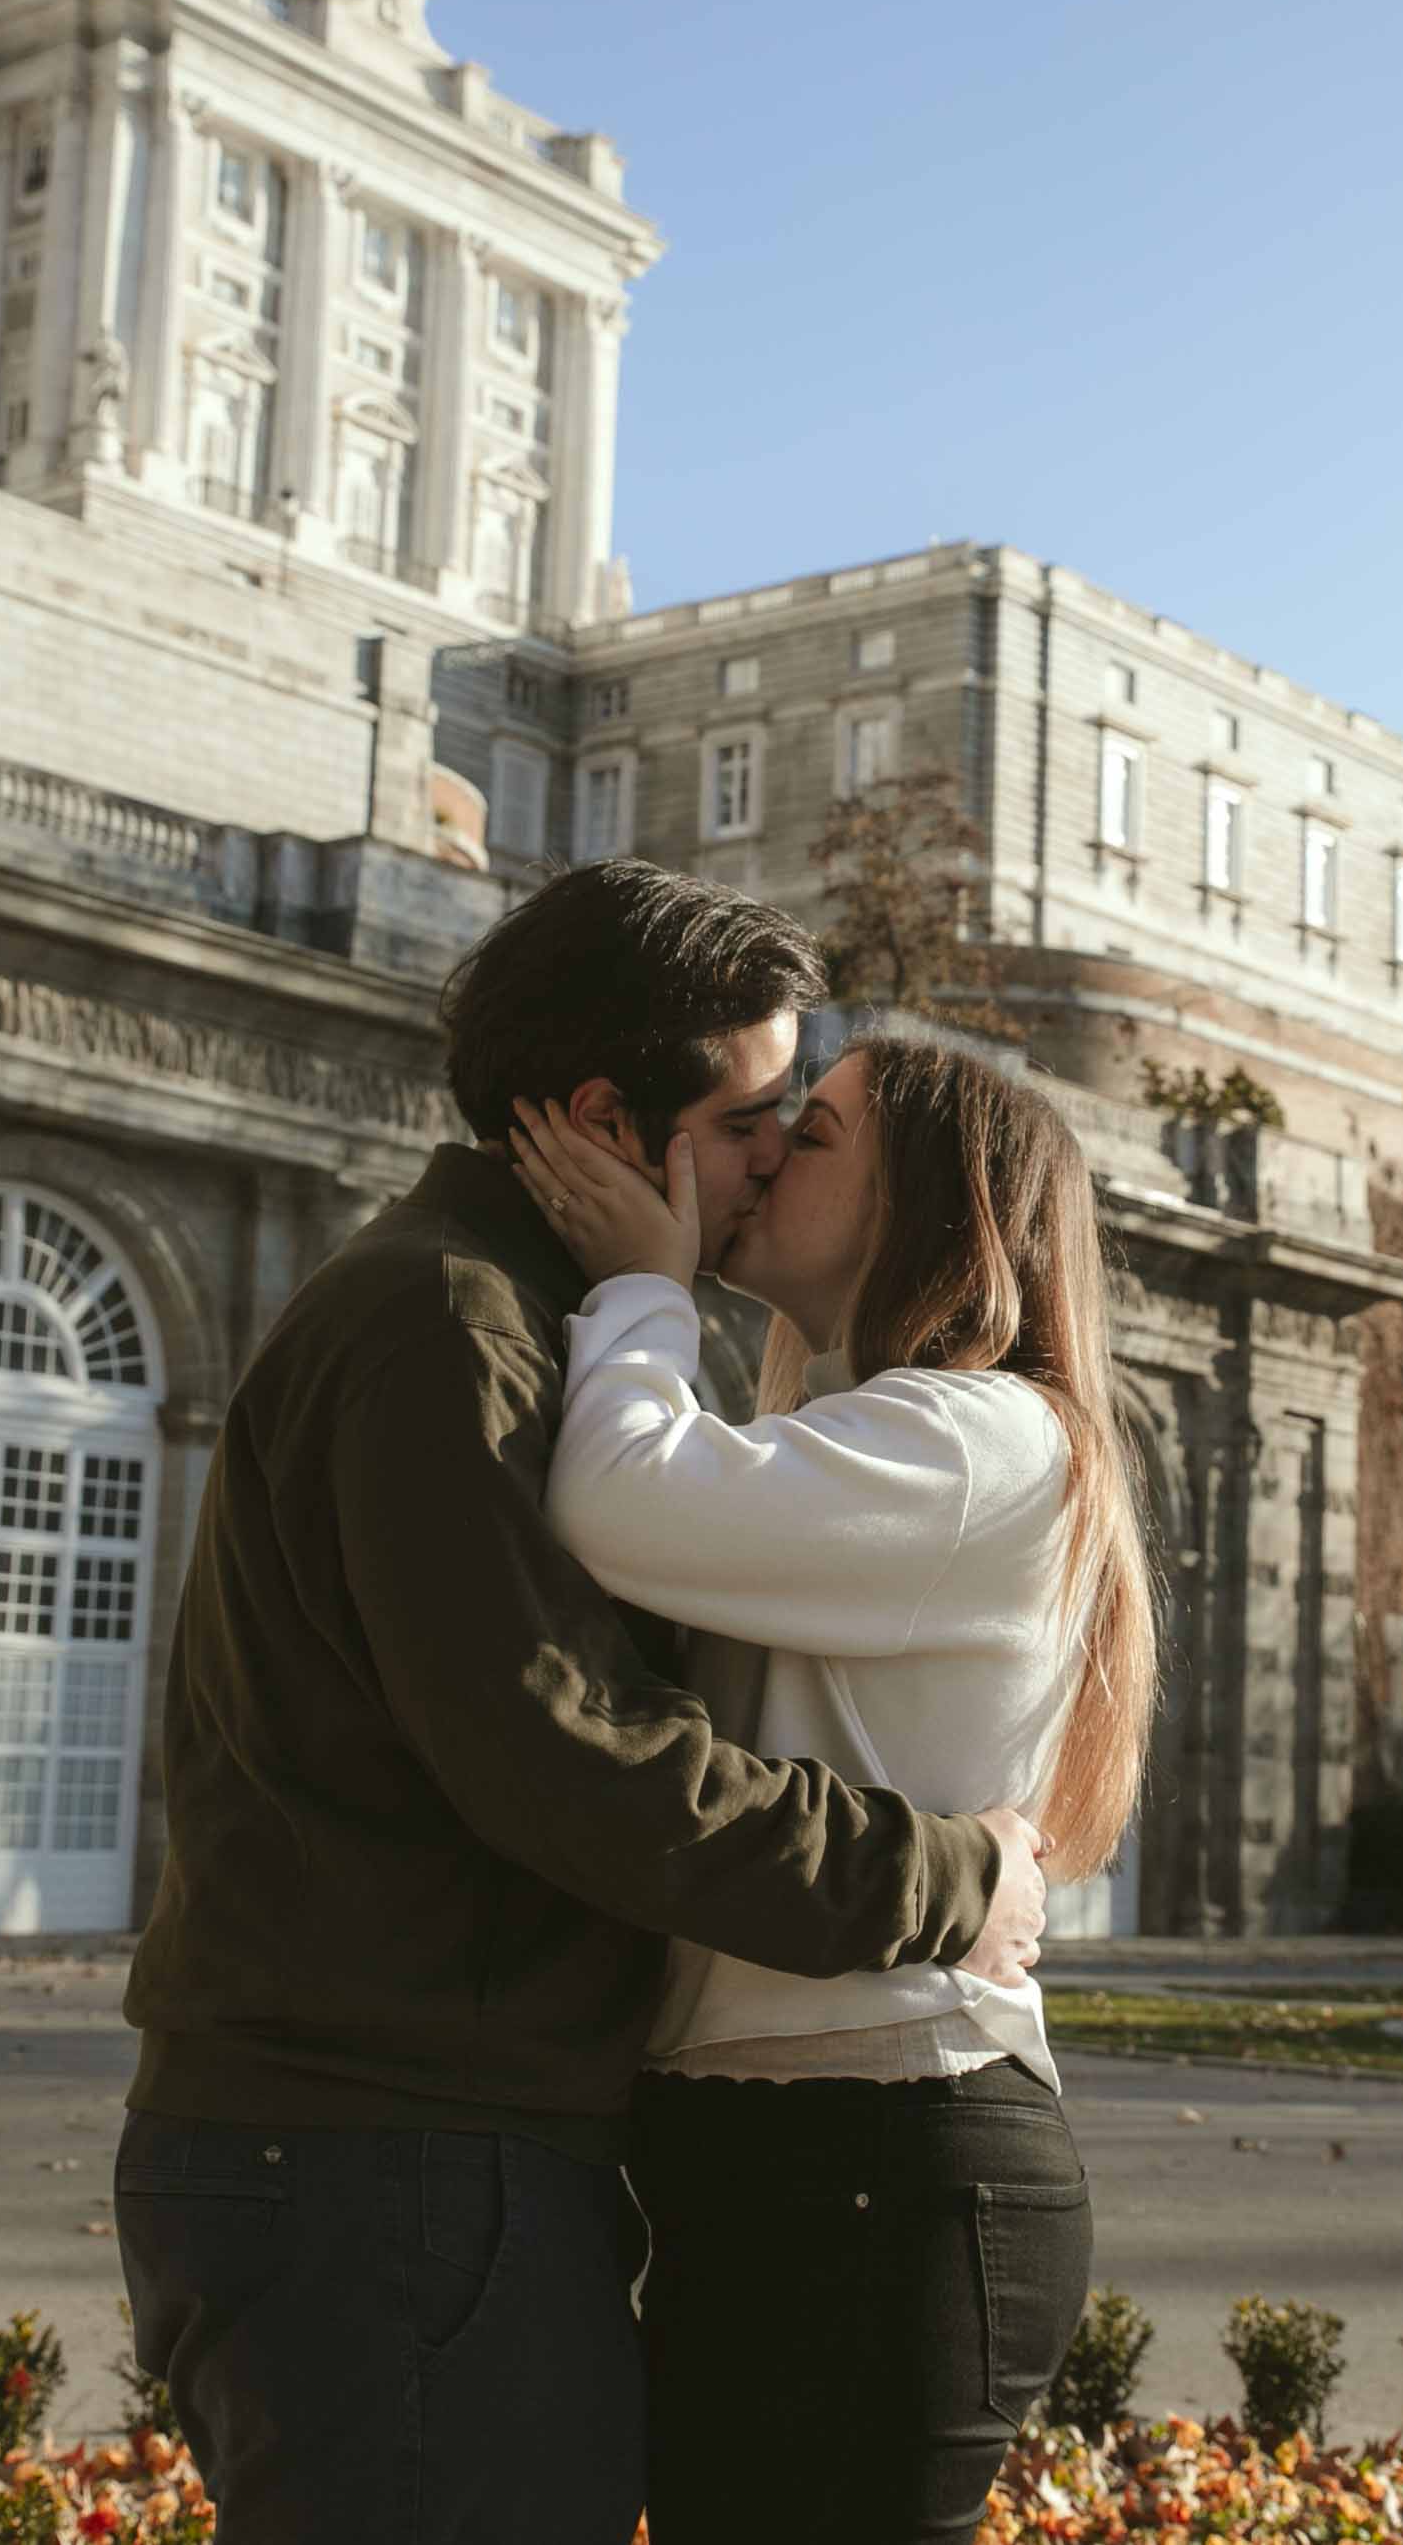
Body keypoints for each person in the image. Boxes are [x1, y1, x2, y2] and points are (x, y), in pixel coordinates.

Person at [113, 864, 1051, 2545]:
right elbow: (565, 1753)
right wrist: (945, 1879)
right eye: (756, 1114)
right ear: (611, 1119)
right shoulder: (448, 1324)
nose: (772, 1155)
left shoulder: (506, 1314)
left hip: (402, 2139)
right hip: (384, 2144)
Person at [508, 1033, 1156, 2545]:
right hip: (809, 2154)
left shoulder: (971, 1431)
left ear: (928, 1199)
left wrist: (641, 1287)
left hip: (882, 2159)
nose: (765, 1151)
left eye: (816, 1132)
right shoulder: (874, 1424)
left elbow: (614, 1498)